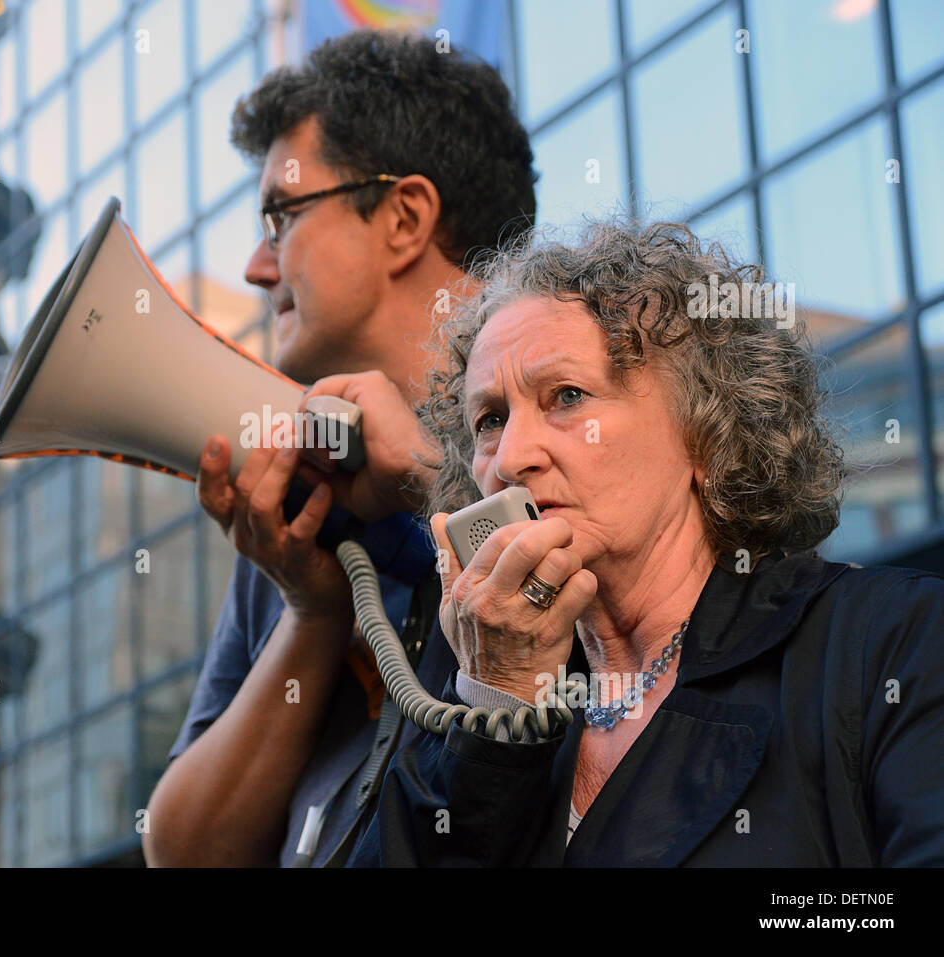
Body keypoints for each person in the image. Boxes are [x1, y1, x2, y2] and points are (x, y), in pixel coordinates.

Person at [347, 220, 944, 866]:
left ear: (709, 434)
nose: (512, 457)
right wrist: (497, 711)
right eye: (490, 419)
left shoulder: (889, 643)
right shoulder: (473, 692)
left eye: (567, 397)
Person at [143, 30, 536, 867]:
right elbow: (182, 851)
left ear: (404, 219)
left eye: (281, 216)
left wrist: (428, 486)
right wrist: (313, 610)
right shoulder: (299, 513)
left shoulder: (561, 423)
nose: (256, 266)